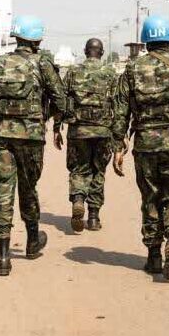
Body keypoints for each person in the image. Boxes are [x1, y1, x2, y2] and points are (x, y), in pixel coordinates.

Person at [112, 15, 169, 281]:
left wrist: (119, 145)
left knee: (150, 198)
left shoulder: (132, 68)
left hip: (146, 145)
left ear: (146, 41)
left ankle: (153, 256)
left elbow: (121, 111)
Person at [0, 15, 67, 276]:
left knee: (3, 190)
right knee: (28, 188)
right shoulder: (42, 63)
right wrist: (47, 119)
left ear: (16, 36)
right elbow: (60, 100)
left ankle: (3, 257)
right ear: (37, 39)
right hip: (30, 136)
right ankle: (31, 241)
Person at [56, 38, 117, 232]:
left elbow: (61, 100)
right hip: (103, 130)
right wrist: (118, 136)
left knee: (79, 169)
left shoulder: (74, 72)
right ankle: (93, 217)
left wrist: (57, 127)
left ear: (85, 51)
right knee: (98, 170)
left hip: (78, 130)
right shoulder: (110, 73)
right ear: (102, 52)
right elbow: (118, 104)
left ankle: (78, 199)